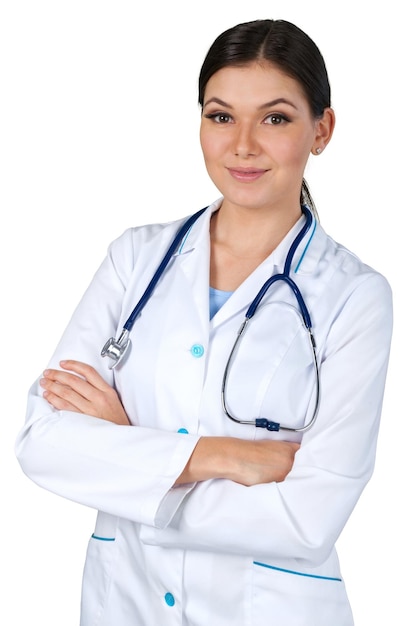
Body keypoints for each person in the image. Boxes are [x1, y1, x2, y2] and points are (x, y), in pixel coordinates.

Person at [15, 18, 392, 626]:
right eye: (221, 116)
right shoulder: (135, 259)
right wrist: (223, 457)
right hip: (125, 605)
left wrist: (130, 459)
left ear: (321, 129)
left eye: (275, 118)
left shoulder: (354, 297)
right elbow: (43, 444)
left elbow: (308, 519)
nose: (243, 144)